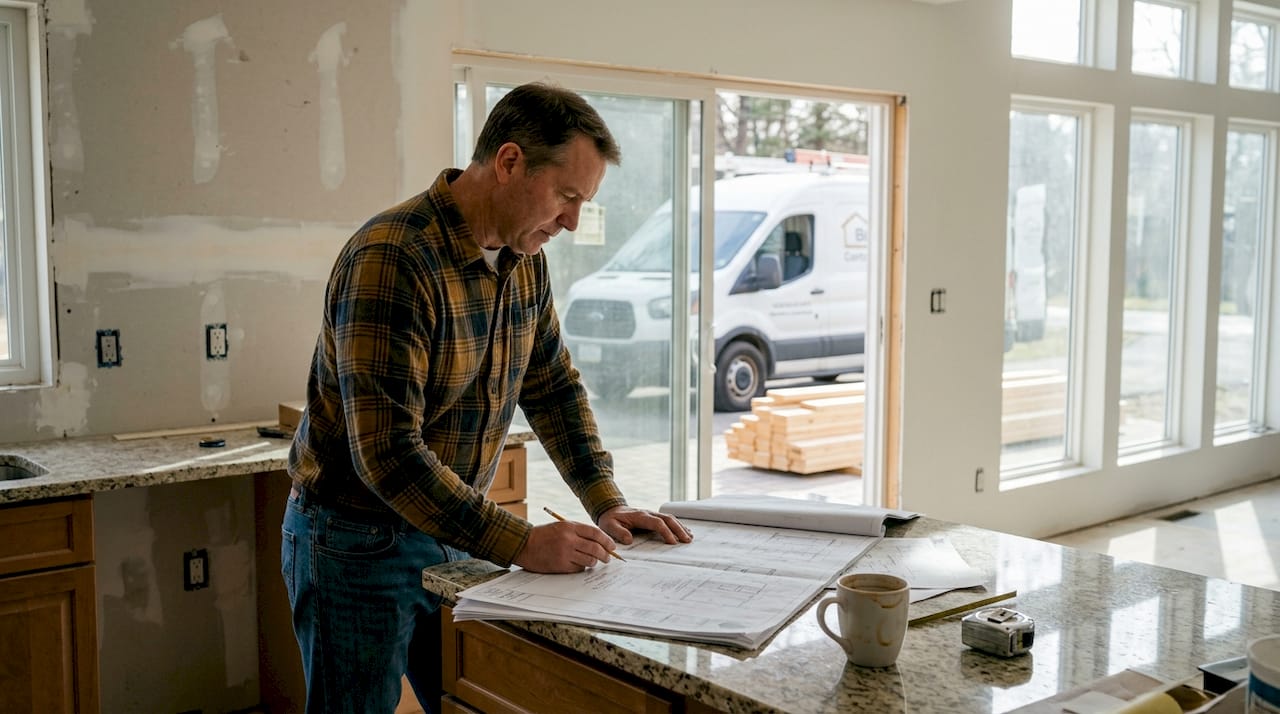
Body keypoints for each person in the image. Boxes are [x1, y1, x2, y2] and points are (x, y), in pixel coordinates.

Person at [282, 82, 694, 714]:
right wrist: (522, 543)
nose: (573, 221)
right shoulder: (392, 258)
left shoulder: (524, 257)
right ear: (508, 163)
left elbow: (552, 385)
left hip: (453, 525)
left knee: (470, 696)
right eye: (566, 196)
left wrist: (606, 501)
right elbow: (389, 454)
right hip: (355, 541)